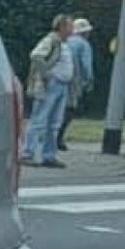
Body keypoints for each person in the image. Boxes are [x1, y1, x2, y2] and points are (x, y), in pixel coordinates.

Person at [22, 14, 75, 168]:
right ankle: (27, 153)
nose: (72, 30)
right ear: (62, 27)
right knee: (39, 120)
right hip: (50, 85)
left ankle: (48, 155)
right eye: (70, 26)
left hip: (61, 86)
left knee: (54, 123)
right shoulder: (51, 40)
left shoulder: (63, 43)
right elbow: (36, 55)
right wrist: (46, 75)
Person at [57, 18, 94, 151]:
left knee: (57, 107)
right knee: (70, 108)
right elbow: (86, 66)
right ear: (84, 33)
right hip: (74, 80)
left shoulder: (64, 41)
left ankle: (50, 136)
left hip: (58, 78)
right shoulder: (84, 45)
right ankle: (59, 137)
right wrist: (88, 81)